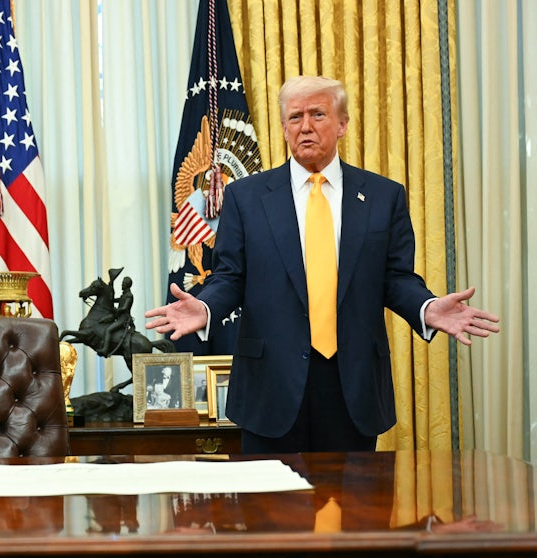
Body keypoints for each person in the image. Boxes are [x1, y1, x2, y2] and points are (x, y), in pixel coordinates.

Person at [145, 75, 500, 454]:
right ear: (284, 128)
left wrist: (426, 308)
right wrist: (204, 305)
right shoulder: (245, 197)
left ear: (342, 124)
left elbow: (396, 279)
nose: (306, 126)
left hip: (353, 387)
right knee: (270, 511)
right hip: (271, 386)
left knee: (356, 512)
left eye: (318, 114)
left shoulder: (383, 196)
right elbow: (230, 277)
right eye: (295, 117)